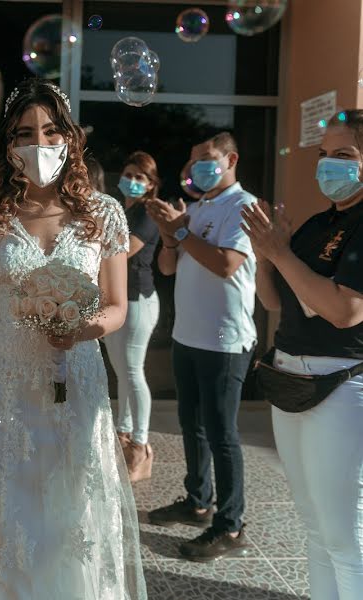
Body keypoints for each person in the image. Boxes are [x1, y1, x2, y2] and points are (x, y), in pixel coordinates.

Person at [0, 79, 146, 599]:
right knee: (3, 520)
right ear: (8, 146)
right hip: (1, 383)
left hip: (75, 379)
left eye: (49, 132)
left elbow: (116, 307)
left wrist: (80, 329)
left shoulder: (102, 213)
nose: (37, 145)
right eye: (22, 134)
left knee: (71, 517)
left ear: (69, 139)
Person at [242, 110, 363, 599]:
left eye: (344, 155)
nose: (328, 165)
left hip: (340, 386)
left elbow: (343, 310)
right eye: (323, 155)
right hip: (291, 379)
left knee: (343, 535)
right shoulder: (317, 225)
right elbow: (274, 302)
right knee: (312, 528)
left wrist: (283, 254)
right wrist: (266, 254)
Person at [146, 132, 257, 561]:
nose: (198, 170)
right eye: (194, 164)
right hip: (187, 337)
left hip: (224, 340)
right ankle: (198, 501)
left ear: (230, 159)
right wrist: (169, 233)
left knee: (221, 433)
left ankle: (230, 526)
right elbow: (168, 267)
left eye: (207, 160)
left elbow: (227, 264)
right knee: (191, 425)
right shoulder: (194, 208)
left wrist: (181, 231)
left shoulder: (242, 207)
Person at [104, 151, 161, 482]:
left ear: (151, 184)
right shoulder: (118, 208)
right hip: (116, 300)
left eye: (141, 177)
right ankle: (124, 434)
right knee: (121, 372)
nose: (134, 181)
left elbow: (122, 253)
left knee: (132, 371)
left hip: (138, 301)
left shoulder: (147, 213)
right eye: (129, 174)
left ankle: (140, 441)